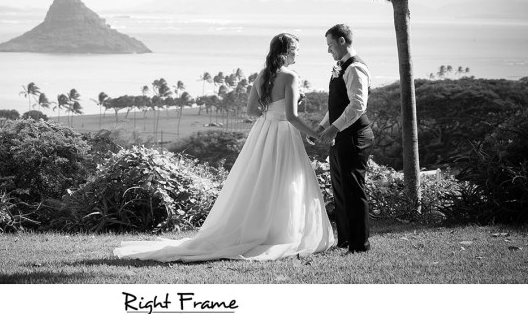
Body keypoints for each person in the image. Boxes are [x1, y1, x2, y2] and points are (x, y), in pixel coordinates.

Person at [113, 33, 334, 262]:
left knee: (262, 180)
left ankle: (261, 228)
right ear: (286, 51)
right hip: (283, 134)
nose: (298, 53)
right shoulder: (290, 76)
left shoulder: (263, 75)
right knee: (287, 180)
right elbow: (292, 117)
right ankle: (281, 232)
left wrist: (271, 113)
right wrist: (316, 134)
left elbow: (251, 110)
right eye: (296, 49)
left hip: (264, 131)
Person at [316, 24, 374, 254]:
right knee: (340, 188)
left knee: (353, 189)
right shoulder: (341, 67)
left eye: (330, 45)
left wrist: (333, 129)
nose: (328, 50)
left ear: (342, 41)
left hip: (355, 136)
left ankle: (360, 245)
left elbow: (358, 106)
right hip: (341, 135)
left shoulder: (355, 68)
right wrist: (323, 126)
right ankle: (346, 240)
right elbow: (339, 105)